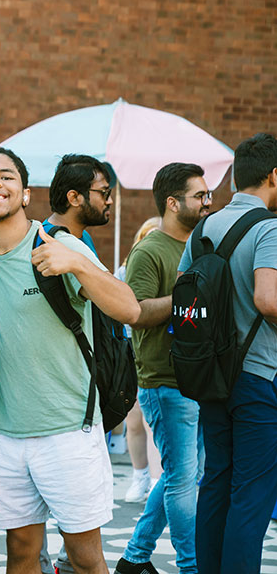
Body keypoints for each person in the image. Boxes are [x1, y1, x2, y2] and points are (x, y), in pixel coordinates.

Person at [0, 147, 139, 574]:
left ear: (25, 194)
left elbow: (129, 309)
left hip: (69, 431)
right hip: (5, 435)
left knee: (84, 559)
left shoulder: (57, 243)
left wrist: (77, 263)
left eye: (6, 176)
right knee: (21, 556)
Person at [179, 133, 277, 574]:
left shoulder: (203, 228)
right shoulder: (270, 228)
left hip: (210, 375)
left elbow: (185, 296)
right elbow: (268, 300)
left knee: (216, 480)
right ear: (274, 176)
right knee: (252, 492)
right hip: (258, 374)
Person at [114, 163, 210, 574]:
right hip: (165, 381)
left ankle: (134, 559)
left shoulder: (202, 246)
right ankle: (191, 567)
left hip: (201, 378)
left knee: (181, 475)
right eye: (200, 196)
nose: (208, 202)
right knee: (183, 480)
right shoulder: (150, 250)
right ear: (173, 203)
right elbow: (133, 311)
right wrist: (184, 297)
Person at [38, 153, 114, 574]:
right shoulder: (66, 244)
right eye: (104, 193)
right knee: (84, 551)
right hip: (69, 410)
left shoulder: (54, 239)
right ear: (74, 195)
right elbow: (126, 307)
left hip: (54, 410)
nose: (109, 203)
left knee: (37, 548)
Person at [117, 216, 161, 505]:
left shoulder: (173, 267)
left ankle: (158, 479)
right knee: (133, 420)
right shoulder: (124, 271)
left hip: (159, 354)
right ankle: (140, 476)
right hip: (131, 351)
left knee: (154, 422)